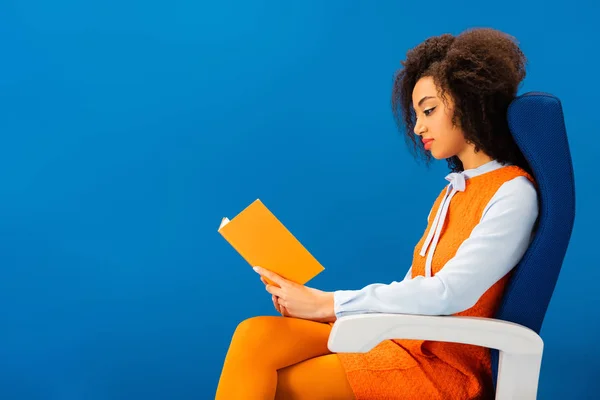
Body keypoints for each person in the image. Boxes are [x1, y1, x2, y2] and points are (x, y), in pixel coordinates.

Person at [215, 27, 539, 400]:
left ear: (471, 101)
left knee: (282, 386)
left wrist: (329, 303)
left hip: (441, 366)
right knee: (255, 335)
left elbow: (448, 294)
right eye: (416, 114)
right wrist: (320, 305)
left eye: (429, 110)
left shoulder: (513, 192)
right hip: (403, 340)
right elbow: (412, 289)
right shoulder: (453, 191)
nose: (418, 127)